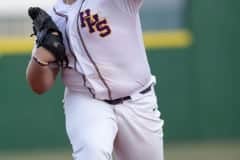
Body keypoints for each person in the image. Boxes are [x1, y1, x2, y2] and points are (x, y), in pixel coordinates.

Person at [26, 0, 164, 160]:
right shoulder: (54, 18)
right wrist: (41, 57)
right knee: (92, 154)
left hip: (137, 100)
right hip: (87, 101)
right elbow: (39, 86)